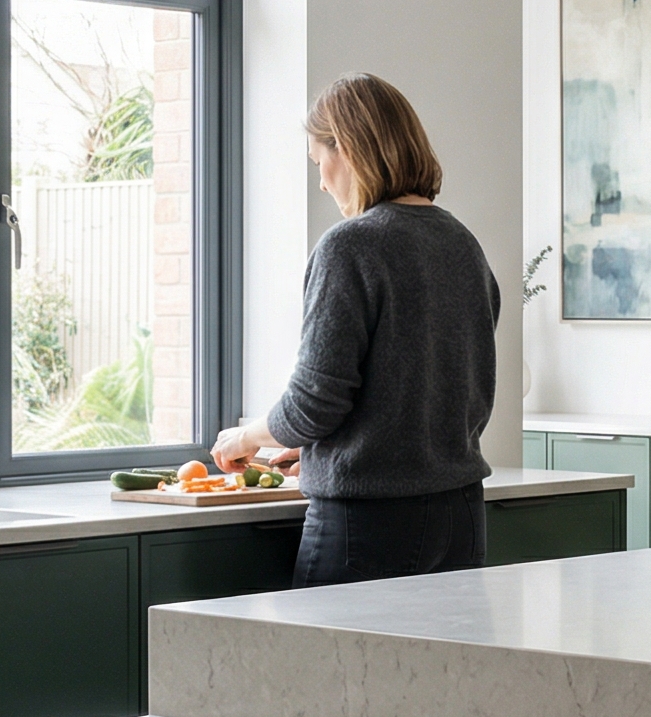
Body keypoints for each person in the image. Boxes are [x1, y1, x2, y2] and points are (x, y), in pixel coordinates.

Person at [213, 74, 501, 587]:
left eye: (317, 161)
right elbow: (432, 389)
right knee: (440, 669)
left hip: (369, 525)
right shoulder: (463, 244)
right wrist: (324, 448)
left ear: (345, 148)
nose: (321, 182)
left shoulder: (350, 246)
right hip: (460, 519)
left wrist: (245, 436)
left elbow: (313, 403)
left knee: (335, 670)